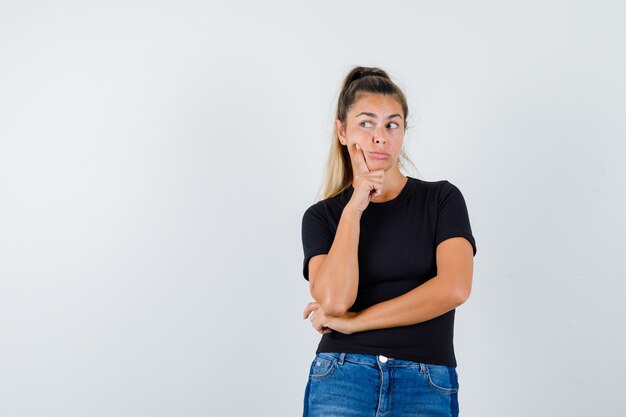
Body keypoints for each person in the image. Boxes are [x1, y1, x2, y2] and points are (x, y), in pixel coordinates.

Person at [299, 66, 477, 417]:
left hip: (425, 379)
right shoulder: (323, 217)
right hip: (342, 375)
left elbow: (454, 289)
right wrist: (354, 209)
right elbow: (334, 301)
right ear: (342, 131)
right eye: (366, 123)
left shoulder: (441, 199)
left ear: (403, 131)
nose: (380, 136)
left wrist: (354, 322)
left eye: (391, 124)